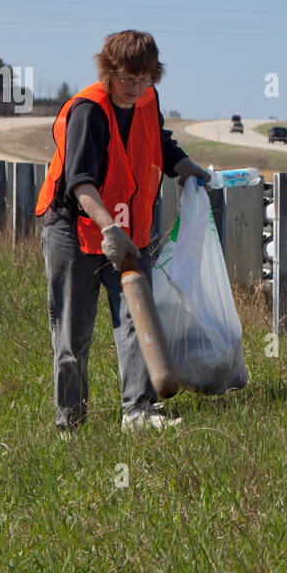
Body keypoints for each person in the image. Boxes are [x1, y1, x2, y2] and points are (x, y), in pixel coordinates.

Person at [35, 30, 211, 434]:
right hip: (75, 229)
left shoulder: (148, 99)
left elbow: (157, 141)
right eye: (126, 79)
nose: (134, 88)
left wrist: (182, 165)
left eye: (144, 79)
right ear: (108, 72)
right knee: (73, 332)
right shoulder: (88, 112)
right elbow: (80, 182)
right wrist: (108, 230)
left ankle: (139, 412)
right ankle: (71, 423)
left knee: (137, 317)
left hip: (129, 231)